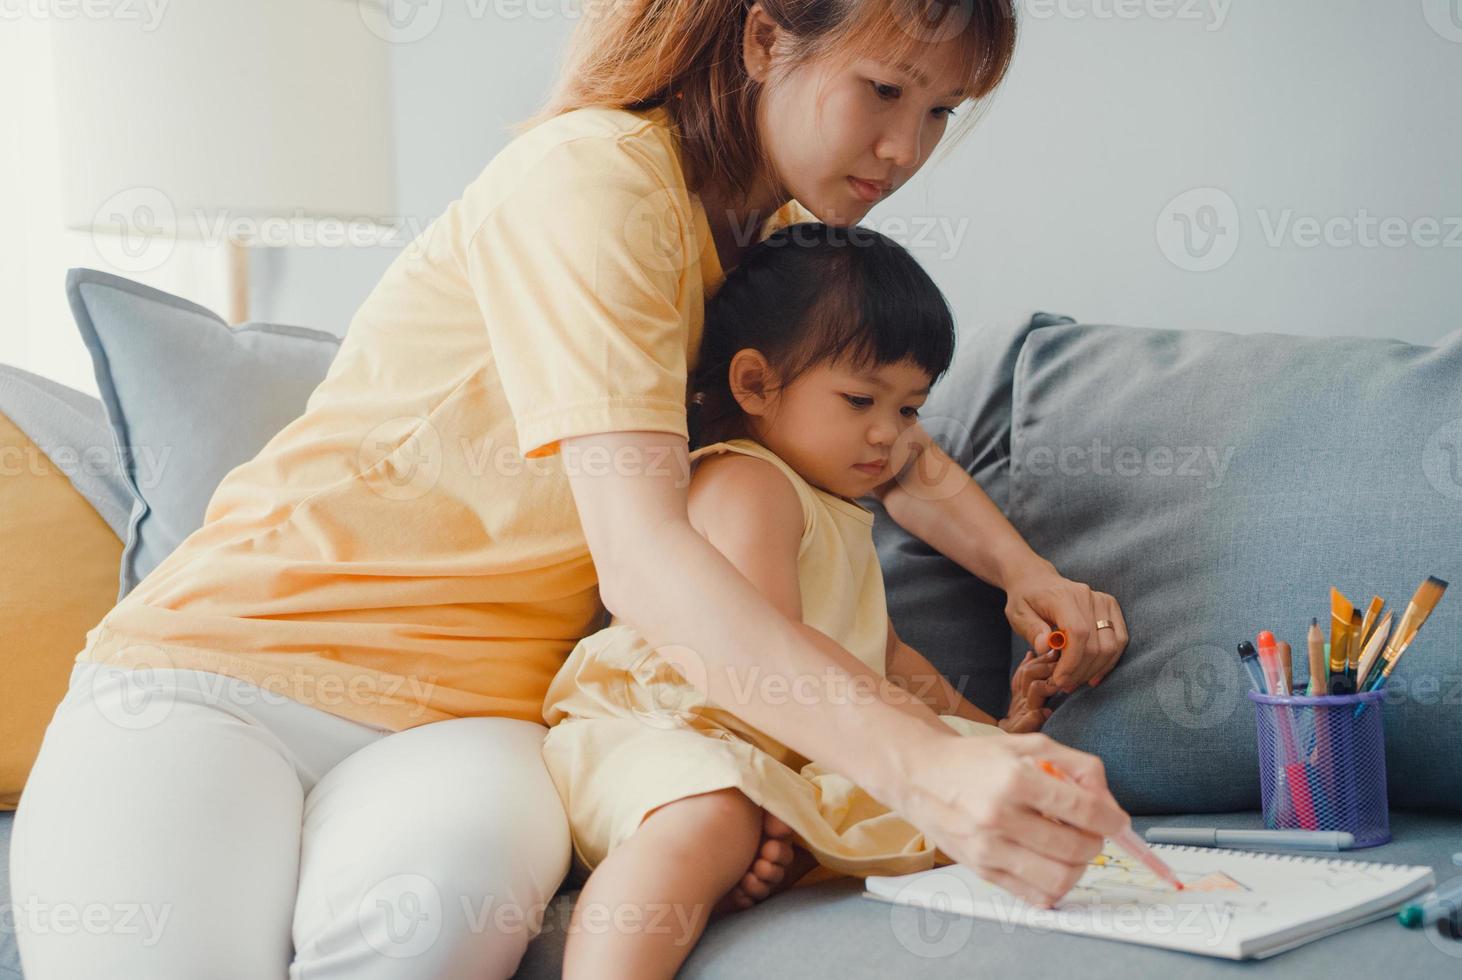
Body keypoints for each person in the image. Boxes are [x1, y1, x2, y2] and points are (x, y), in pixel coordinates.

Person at [10, 3, 1132, 978]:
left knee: (421, 934)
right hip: (226, 665)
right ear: (759, 38)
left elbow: (907, 457)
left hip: (475, 720)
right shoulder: (594, 177)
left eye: (940, 110)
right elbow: (647, 560)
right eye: (883, 87)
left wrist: (1026, 577)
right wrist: (928, 765)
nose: (903, 146)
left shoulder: (780, 250)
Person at [543, 220, 1070, 978]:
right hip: (662, 729)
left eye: (911, 409)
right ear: (756, 384)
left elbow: (883, 657)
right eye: (861, 400)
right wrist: (927, 738)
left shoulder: (836, 506)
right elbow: (768, 647)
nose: (889, 435)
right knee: (708, 813)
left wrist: (992, 733)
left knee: (1024, 785)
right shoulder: (746, 480)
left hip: (781, 744)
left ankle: (761, 859)